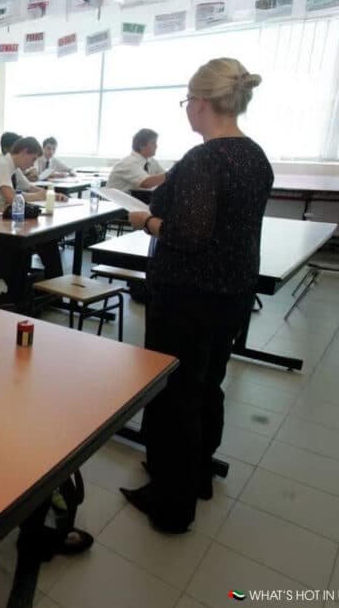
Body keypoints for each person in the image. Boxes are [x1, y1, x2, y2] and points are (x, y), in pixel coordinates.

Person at [120, 58, 272, 533]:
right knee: (208, 383)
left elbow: (189, 234)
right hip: (232, 292)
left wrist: (144, 221)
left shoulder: (205, 159)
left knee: (174, 393)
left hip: (188, 295)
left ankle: (171, 502)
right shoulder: (255, 155)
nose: (187, 110)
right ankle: (197, 473)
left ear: (202, 104)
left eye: (188, 101)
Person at [0, 137, 66, 307]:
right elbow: (10, 197)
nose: (32, 165)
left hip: (1, 217)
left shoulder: (13, 167)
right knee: (23, 244)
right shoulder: (1, 164)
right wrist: (39, 197)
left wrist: (51, 194)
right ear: (24, 152)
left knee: (47, 239)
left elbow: (30, 187)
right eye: (32, 159)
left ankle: (54, 293)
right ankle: (17, 296)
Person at [105, 129, 166, 193]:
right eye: (153, 143)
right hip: (115, 202)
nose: (156, 146)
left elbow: (166, 179)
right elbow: (146, 183)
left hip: (136, 200)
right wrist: (172, 172)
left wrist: (172, 175)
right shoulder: (128, 163)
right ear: (141, 145)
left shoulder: (151, 161)